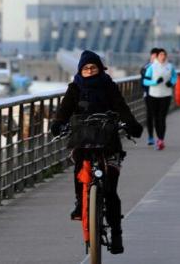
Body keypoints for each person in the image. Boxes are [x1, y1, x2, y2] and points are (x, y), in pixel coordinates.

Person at [50, 50, 143, 255]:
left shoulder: (108, 85)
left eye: (93, 67)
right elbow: (65, 109)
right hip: (83, 139)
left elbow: (121, 107)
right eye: (86, 68)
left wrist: (131, 124)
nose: (90, 71)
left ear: (100, 68)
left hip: (108, 141)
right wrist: (58, 123)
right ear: (80, 71)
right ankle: (79, 202)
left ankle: (116, 232)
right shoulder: (75, 88)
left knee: (110, 190)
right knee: (79, 168)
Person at [143, 49, 177, 150]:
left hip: (166, 95)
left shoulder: (170, 66)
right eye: (161, 55)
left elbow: (175, 76)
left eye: (164, 55)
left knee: (162, 117)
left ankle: (161, 139)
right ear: (157, 56)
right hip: (154, 95)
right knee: (156, 118)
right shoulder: (152, 67)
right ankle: (158, 138)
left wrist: (171, 82)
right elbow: (145, 81)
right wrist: (155, 82)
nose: (163, 56)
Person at [141, 48, 160, 146]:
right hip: (148, 94)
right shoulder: (147, 67)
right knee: (149, 115)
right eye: (154, 56)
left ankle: (159, 137)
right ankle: (150, 136)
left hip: (160, 94)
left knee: (158, 116)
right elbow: (143, 80)